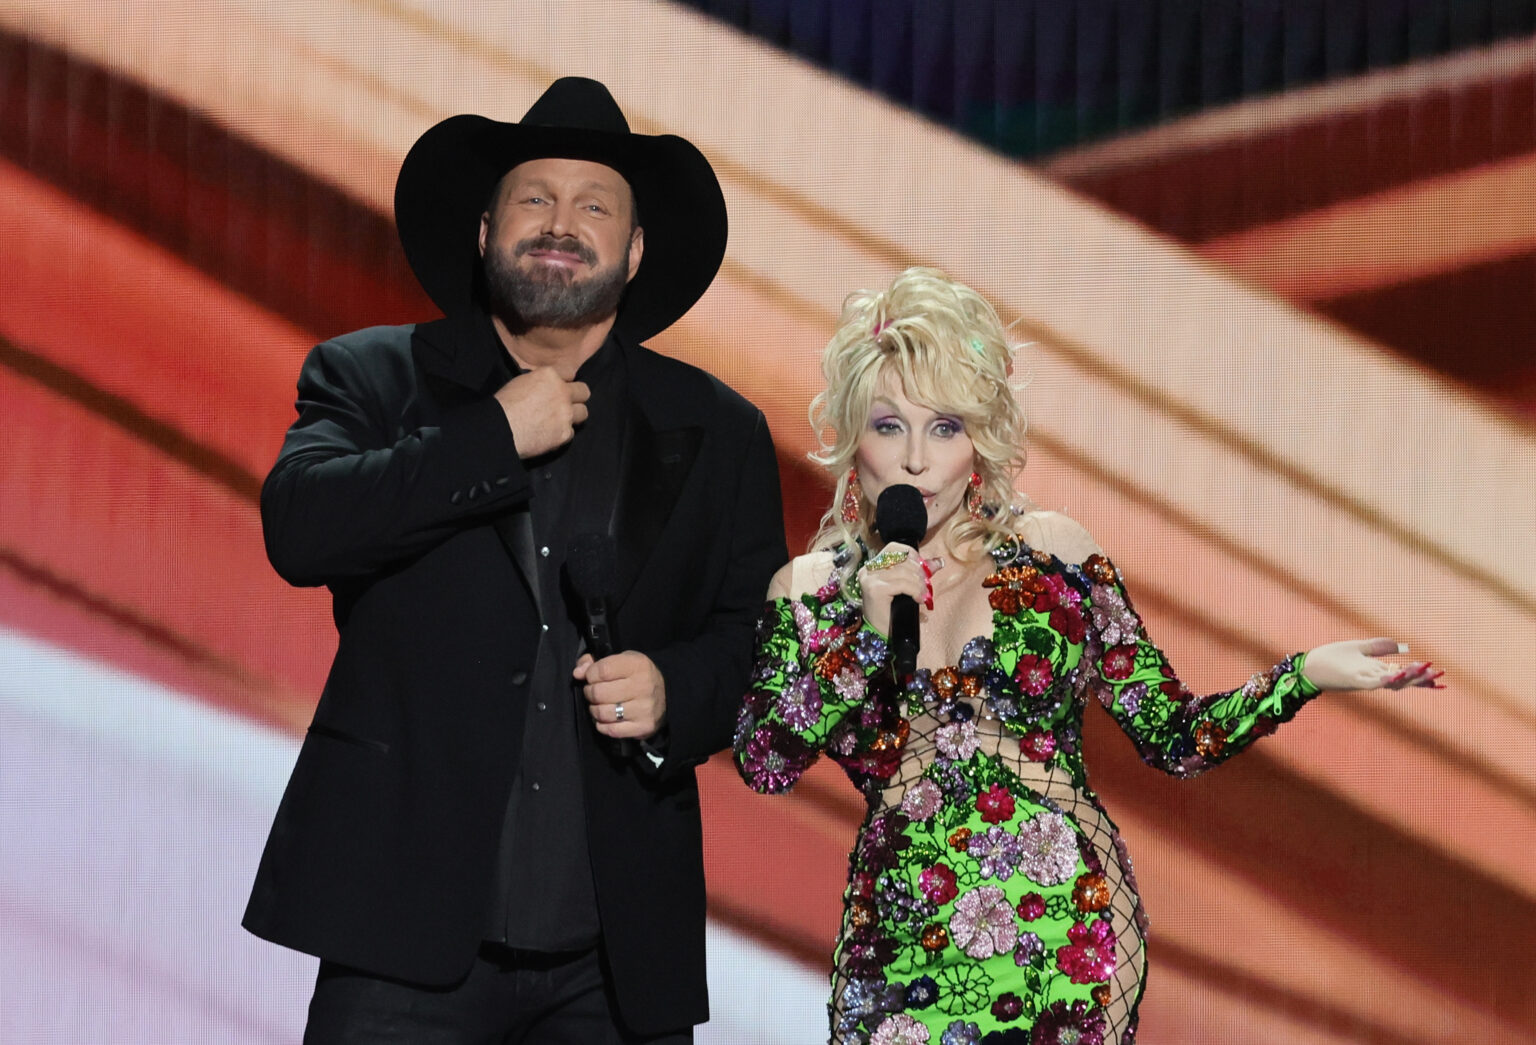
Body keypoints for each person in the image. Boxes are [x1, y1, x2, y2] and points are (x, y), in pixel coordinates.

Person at [733, 267, 1440, 1045]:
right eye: (888, 425)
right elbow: (766, 761)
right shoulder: (808, 592)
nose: (915, 460)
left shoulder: (1054, 556)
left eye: (945, 427)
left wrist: (1302, 676)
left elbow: (1174, 735)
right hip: (901, 946)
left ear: (980, 439)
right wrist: (864, 636)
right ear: (850, 434)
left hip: (1069, 930)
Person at [244, 77, 787, 1043]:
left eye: (594, 207)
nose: (561, 225)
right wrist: (490, 437)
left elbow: (760, 641)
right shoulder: (372, 375)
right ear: (486, 228)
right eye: (536, 199)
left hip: (614, 957)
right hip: (400, 941)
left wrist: (675, 689)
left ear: (634, 251)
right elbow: (301, 527)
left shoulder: (719, 429)